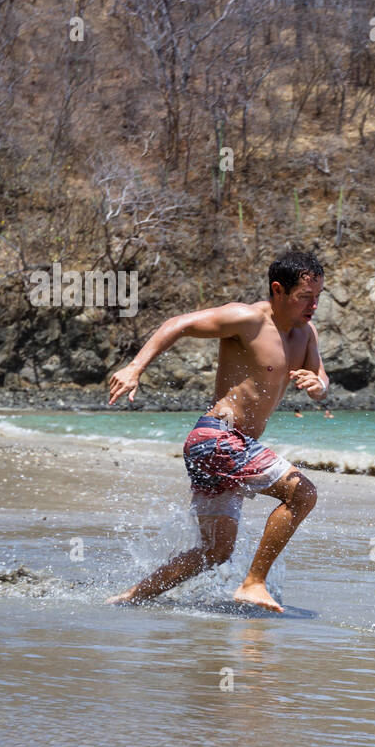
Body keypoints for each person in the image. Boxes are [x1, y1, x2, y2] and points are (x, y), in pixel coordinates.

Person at [104, 250, 329, 612]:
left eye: (318, 296)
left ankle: (131, 598)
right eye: (305, 297)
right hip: (217, 438)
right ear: (278, 290)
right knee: (303, 494)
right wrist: (134, 369)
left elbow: (320, 376)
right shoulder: (247, 318)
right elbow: (177, 324)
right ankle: (254, 583)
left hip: (223, 448)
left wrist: (318, 386)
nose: (313, 305)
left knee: (216, 552)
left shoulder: (306, 333)